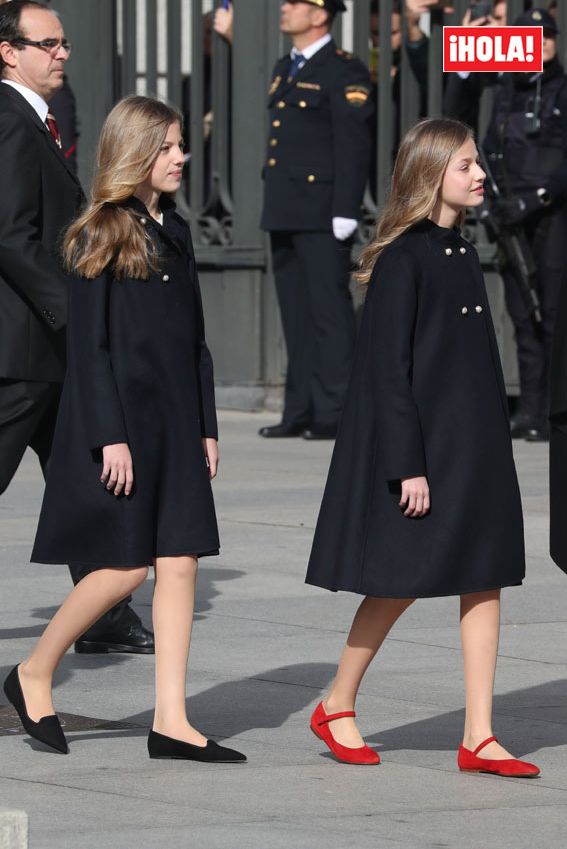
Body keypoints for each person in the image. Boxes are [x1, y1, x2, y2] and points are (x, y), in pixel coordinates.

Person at [2, 94, 246, 764]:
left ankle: (171, 719)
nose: (180, 158)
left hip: (175, 425)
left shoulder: (179, 231)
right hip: (121, 427)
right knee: (122, 567)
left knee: (180, 561)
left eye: (178, 146)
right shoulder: (99, 231)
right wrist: (108, 435)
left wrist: (205, 427)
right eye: (167, 147)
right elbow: (91, 348)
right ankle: (33, 673)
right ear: (136, 153)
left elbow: (194, 341)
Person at [305, 117, 540, 778]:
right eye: (466, 164)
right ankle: (337, 700)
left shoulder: (462, 250)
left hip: (475, 449)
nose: (479, 176)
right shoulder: (402, 258)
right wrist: (406, 464)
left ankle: (479, 734)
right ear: (432, 171)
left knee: (484, 576)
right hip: (424, 453)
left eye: (477, 164)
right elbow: (385, 373)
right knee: (397, 582)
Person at [0, 0, 152, 654]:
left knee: (92, 471)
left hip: (49, 351)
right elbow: (10, 235)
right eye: (49, 43)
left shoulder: (38, 119)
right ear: (9, 50)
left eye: (64, 43)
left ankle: (103, 611)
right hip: (23, 349)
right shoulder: (10, 122)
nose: (62, 53)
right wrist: (71, 307)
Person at [259, 0, 374, 441]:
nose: (284, 10)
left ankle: (335, 410)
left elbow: (353, 144)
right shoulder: (283, 65)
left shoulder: (343, 70)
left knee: (328, 314)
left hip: (324, 212)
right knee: (295, 315)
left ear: (321, 14)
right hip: (286, 208)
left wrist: (346, 208)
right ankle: (299, 409)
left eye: (295, 3)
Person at [483, 8, 567, 442]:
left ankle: (553, 410)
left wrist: (538, 198)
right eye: (534, 37)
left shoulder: (561, 90)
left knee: (551, 316)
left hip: (549, 218)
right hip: (510, 222)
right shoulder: (505, 90)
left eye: (548, 36)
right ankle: (530, 410)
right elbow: (485, 146)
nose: (543, 43)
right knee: (522, 316)